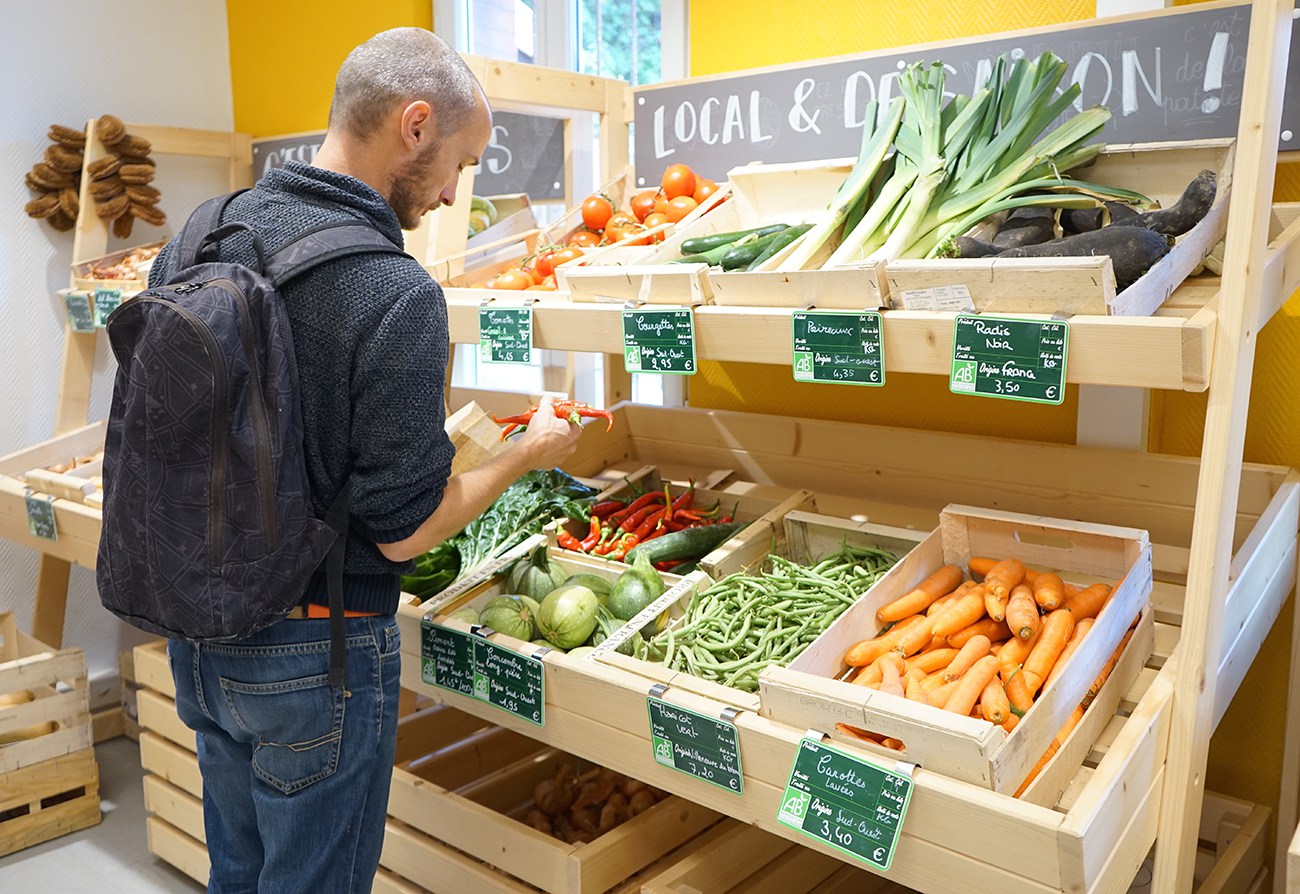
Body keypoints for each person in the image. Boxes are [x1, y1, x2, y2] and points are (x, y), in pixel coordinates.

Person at [153, 28, 582, 894]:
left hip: (197, 630)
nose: (454, 191)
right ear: (414, 125)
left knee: (239, 874)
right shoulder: (393, 289)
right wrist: (526, 453)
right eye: (460, 162)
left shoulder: (198, 236)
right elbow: (403, 533)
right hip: (317, 653)